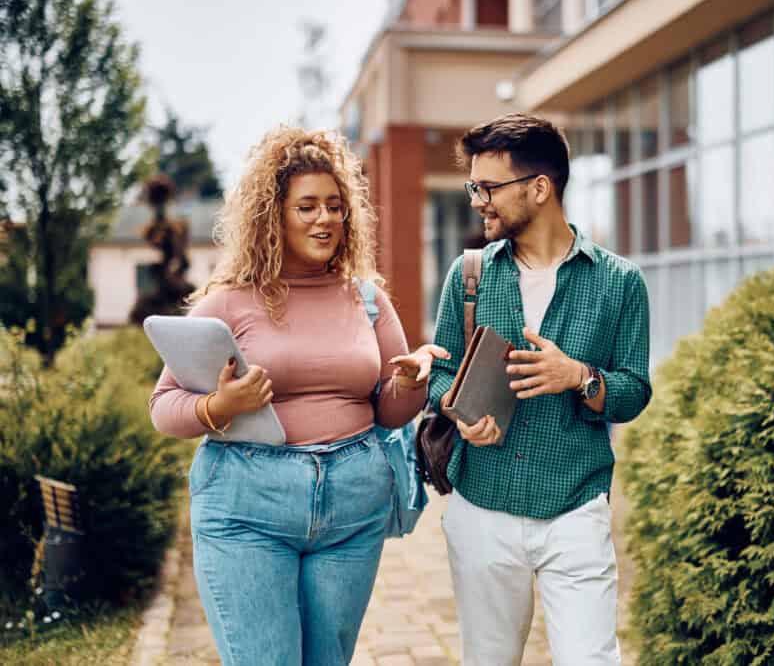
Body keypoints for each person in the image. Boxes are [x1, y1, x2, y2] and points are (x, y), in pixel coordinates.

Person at [149, 127, 447, 666]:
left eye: (335, 206)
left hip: (353, 505)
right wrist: (220, 407)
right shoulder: (230, 301)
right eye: (307, 206)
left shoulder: (366, 298)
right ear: (274, 215)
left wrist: (410, 384)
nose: (325, 219)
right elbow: (164, 407)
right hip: (247, 505)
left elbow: (389, 410)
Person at [428, 114, 652, 665]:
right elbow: (440, 374)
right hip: (482, 507)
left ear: (539, 188)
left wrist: (579, 377)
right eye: (473, 186)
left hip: (575, 509)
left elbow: (634, 391)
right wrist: (459, 416)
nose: (478, 200)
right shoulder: (470, 274)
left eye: (489, 188)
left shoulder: (619, 282)